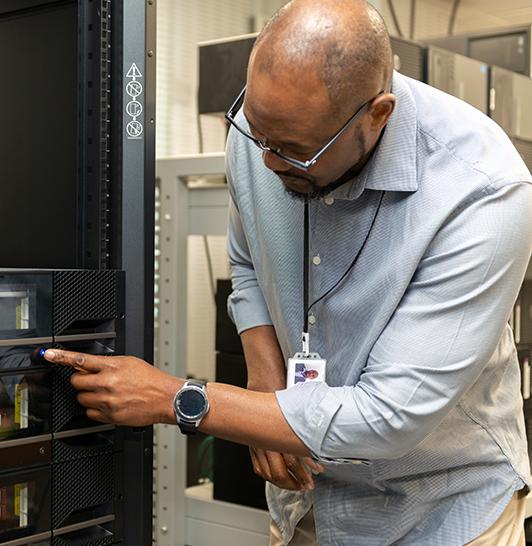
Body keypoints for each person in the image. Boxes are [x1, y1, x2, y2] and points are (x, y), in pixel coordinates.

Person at [43, 0, 532, 543]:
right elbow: (249, 264)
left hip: (438, 512)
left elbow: (388, 416)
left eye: (295, 152)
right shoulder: (259, 136)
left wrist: (176, 398)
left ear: (377, 115)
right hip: (306, 503)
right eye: (259, 137)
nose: (269, 162)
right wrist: (265, 391)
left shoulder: (482, 190)